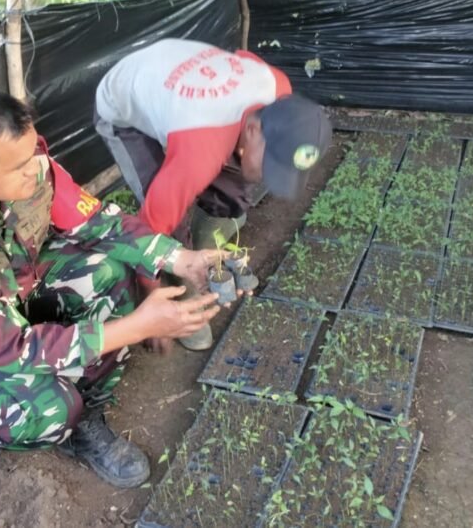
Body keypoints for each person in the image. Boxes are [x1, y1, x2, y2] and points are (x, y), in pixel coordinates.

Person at [0, 84, 225, 489]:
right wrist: (141, 326)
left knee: (112, 275)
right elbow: (9, 349)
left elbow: (96, 221)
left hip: (8, 289)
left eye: (34, 151)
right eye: (20, 166)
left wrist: (178, 258)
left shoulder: (26, 161)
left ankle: (85, 423)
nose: (37, 167)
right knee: (46, 412)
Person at [94, 38, 332, 349]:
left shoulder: (277, 88)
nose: (266, 176)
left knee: (237, 185)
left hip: (175, 77)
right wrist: (152, 312)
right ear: (253, 130)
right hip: (123, 102)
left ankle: (208, 240)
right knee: (170, 221)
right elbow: (148, 233)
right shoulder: (199, 148)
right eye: (270, 164)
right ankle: (182, 285)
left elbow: (243, 58)